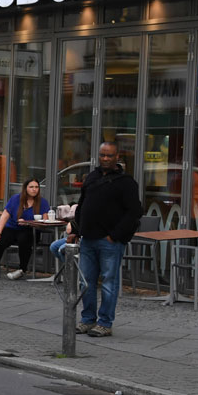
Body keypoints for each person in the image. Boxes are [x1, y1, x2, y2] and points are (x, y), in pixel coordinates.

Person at [73, 141, 143, 337]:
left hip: (109, 241)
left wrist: (115, 236)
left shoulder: (126, 182)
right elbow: (81, 205)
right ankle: (87, 320)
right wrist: (77, 229)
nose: (105, 159)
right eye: (102, 155)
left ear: (117, 157)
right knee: (85, 282)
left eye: (109, 156)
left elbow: (134, 212)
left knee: (109, 284)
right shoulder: (92, 177)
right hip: (87, 239)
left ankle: (105, 322)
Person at [0, 178, 51, 281]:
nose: (34, 189)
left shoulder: (42, 202)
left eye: (36, 187)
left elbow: (45, 221)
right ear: (25, 188)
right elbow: (4, 216)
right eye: (31, 187)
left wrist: (29, 223)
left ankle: (22, 270)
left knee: (24, 239)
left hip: (31, 230)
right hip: (12, 227)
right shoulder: (15, 199)